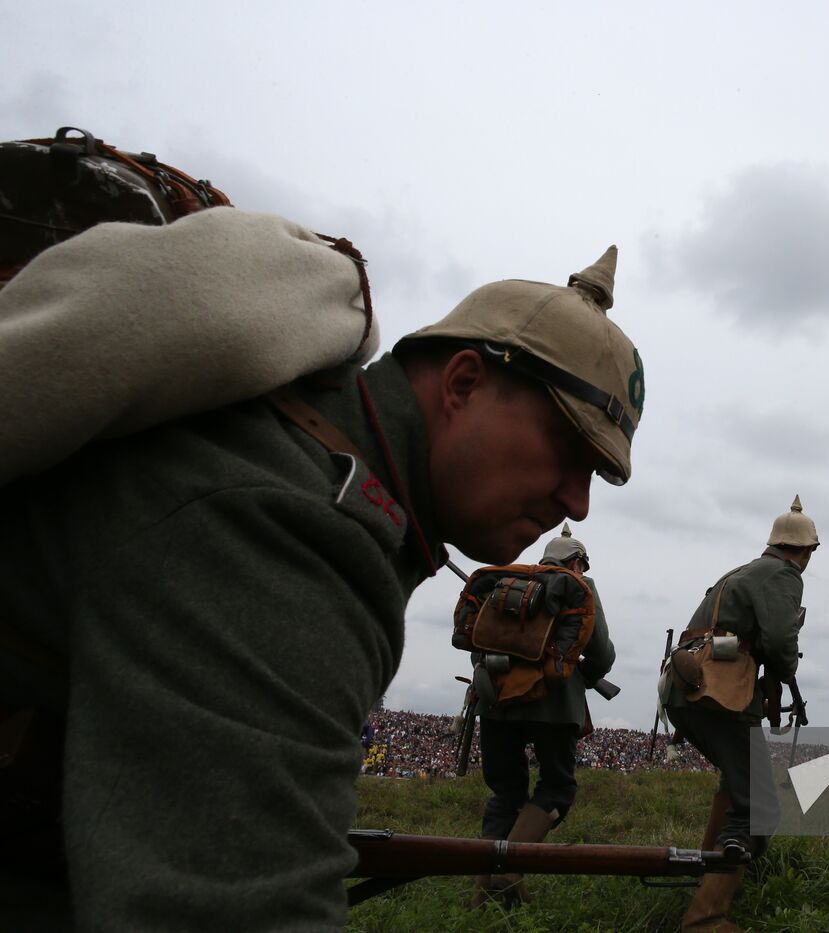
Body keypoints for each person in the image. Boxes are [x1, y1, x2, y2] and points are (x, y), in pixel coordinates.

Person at [0, 237, 644, 930]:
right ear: (461, 384)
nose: (578, 501)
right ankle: (748, 855)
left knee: (512, 794)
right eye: (568, 448)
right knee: (601, 793)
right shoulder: (297, 529)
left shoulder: (311, 460)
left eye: (596, 474)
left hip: (496, 707)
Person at [663, 496, 817, 932]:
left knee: (736, 789)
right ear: (806, 552)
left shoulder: (743, 571)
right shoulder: (784, 575)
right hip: (720, 694)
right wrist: (785, 673)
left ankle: (705, 879)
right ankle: (705, 918)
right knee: (760, 810)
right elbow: (781, 642)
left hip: (687, 688)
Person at [471, 522, 616, 906]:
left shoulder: (511, 584)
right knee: (557, 788)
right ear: (578, 562)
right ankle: (509, 872)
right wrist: (585, 674)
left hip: (498, 699)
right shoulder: (578, 587)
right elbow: (602, 653)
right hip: (553, 701)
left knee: (506, 792)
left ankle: (482, 894)